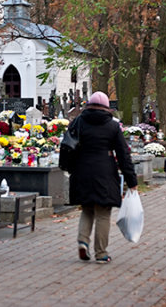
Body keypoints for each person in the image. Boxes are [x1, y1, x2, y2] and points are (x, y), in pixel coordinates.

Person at [69, 91, 138, 264]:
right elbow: (123, 155)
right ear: (107, 107)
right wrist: (131, 180)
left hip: (82, 170)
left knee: (87, 209)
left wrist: (70, 169)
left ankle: (83, 241)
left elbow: (68, 146)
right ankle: (101, 253)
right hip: (104, 171)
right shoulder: (112, 126)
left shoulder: (78, 122)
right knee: (103, 212)